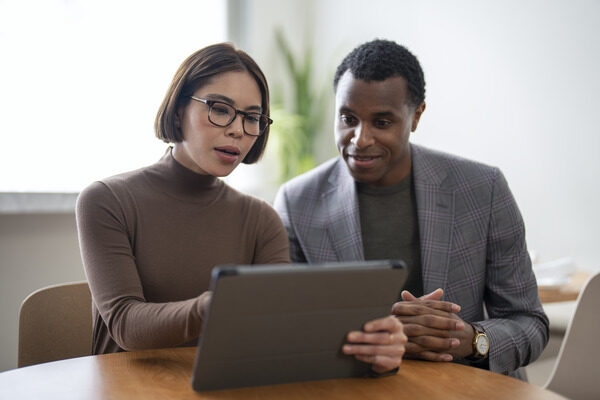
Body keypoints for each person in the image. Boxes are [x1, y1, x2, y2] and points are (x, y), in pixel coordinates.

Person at [76, 43, 405, 375]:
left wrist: (370, 349)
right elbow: (125, 325)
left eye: (252, 117)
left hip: (223, 387)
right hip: (127, 388)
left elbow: (278, 331)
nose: (237, 129)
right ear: (178, 111)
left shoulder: (261, 219)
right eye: (220, 109)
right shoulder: (106, 200)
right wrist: (213, 307)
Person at [273, 39, 549, 378]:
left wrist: (473, 339)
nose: (360, 139)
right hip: (353, 387)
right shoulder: (297, 201)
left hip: (467, 387)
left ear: (416, 115)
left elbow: (529, 323)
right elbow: (287, 328)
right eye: (348, 118)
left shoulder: (483, 189)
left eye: (382, 122)